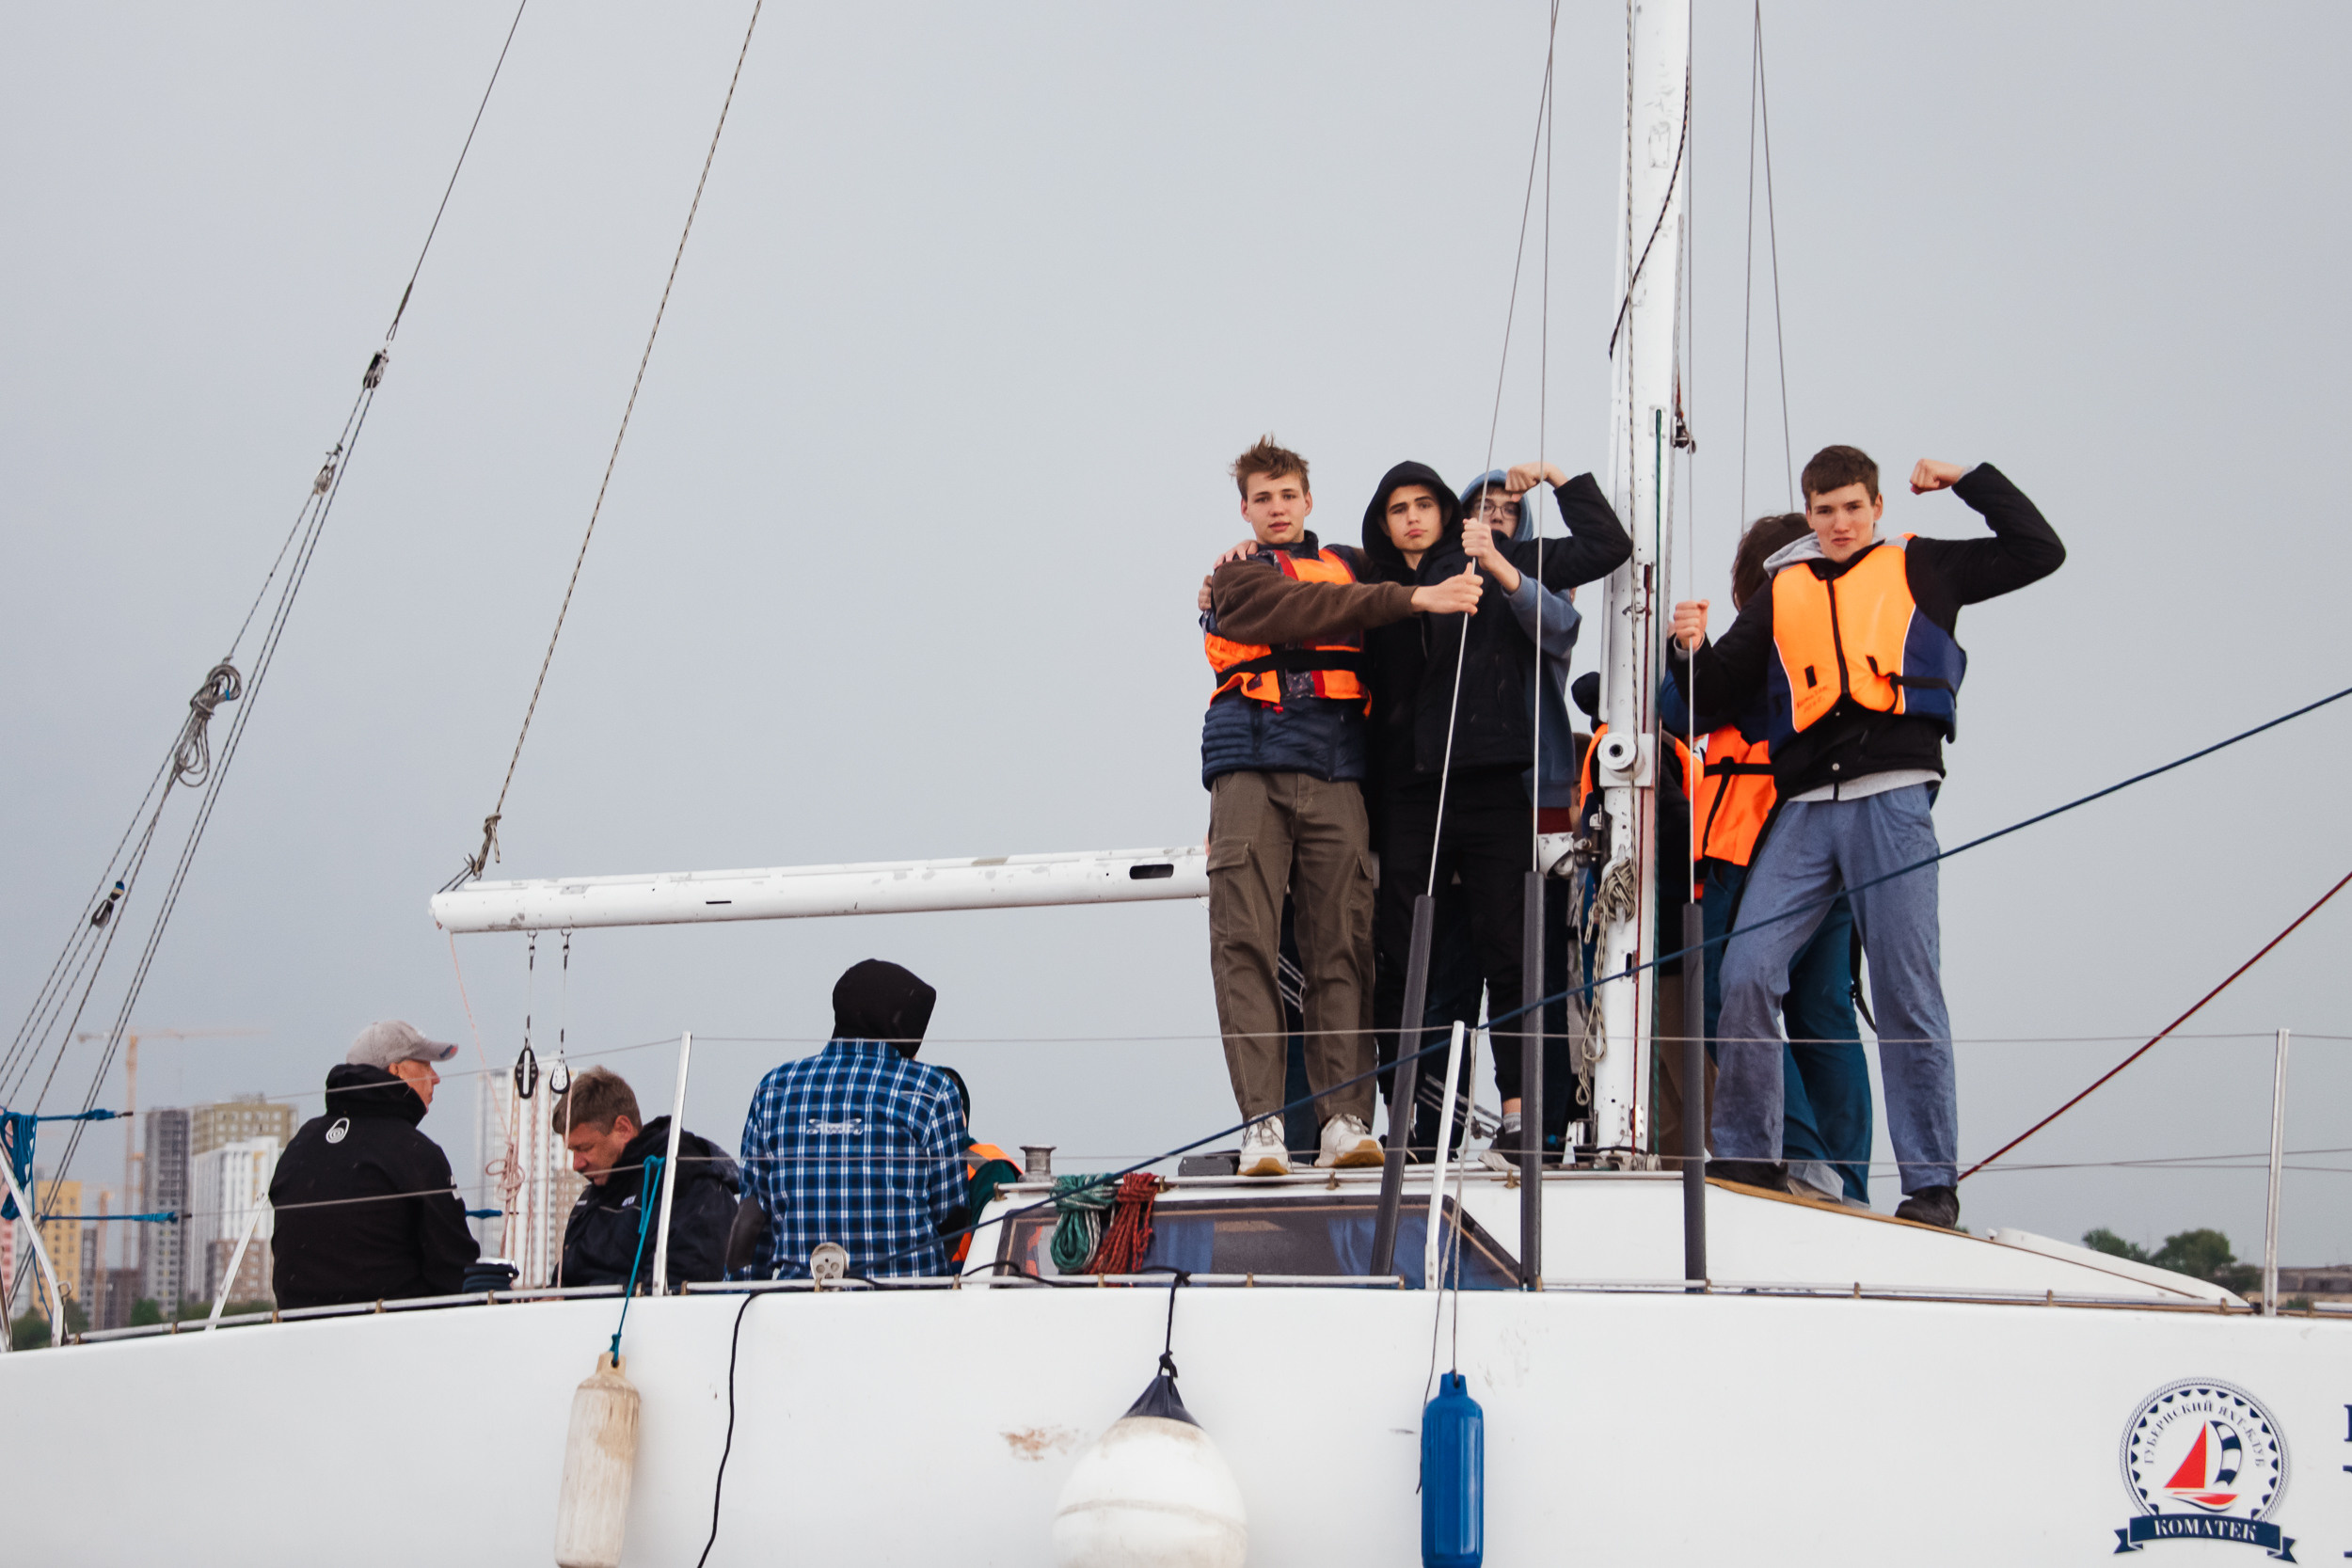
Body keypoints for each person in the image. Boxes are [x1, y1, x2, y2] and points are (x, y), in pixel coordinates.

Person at [1669, 449, 2063, 1228]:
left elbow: (2039, 550)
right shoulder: (1784, 591)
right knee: (1745, 971)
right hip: (1808, 807)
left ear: (1876, 506)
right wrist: (1690, 651)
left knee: (1906, 988)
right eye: (1824, 510)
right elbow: (1708, 703)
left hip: (1893, 800)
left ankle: (1930, 1184)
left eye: (1852, 507)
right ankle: (1748, 1150)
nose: (1840, 524)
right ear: (1808, 514)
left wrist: (1966, 481)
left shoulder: (1926, 568)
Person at [1199, 436, 1483, 1178]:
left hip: (1336, 767)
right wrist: (1409, 599)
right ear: (1246, 509)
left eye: (1287, 494)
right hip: (1249, 767)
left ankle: (1346, 1119)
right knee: (1246, 946)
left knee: (1343, 948)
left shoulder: (1357, 564)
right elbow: (1306, 608)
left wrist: (1496, 522)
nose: (1277, 508)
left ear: (1309, 499)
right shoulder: (1235, 579)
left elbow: (1428, 553)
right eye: (1263, 498)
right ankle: (1263, 1124)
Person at [1360, 460, 1629, 1156]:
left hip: (1491, 783)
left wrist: (1562, 482)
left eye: (1425, 503)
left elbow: (1608, 545)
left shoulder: (1492, 554)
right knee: (1405, 958)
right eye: (1399, 508)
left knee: (1510, 953)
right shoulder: (1369, 583)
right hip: (1406, 794)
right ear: (1382, 522)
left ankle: (1520, 1114)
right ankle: (1410, 1121)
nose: (1414, 517)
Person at [1661, 512, 1870, 1205]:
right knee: (1822, 1012)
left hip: (1748, 845)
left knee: (1727, 992)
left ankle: (1805, 1158)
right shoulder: (1843, 634)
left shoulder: (1761, 639)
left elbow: (1676, 705)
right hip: (1839, 839)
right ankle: (1849, 1178)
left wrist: (1680, 654)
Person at [736, 958, 969, 1278]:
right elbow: (951, 1214)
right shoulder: (933, 1090)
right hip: (910, 1304)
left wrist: (735, 1299)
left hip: (798, 1304)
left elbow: (751, 1219)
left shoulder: (773, 1088)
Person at [270, 1020, 480, 1309]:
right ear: (396, 1070)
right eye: (426, 1066)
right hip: (392, 1335)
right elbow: (456, 1270)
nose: (435, 1078)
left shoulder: (301, 1144)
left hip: (296, 1332)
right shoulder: (414, 1152)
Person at [551, 1066, 741, 1290]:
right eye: (572, 1151)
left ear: (623, 1128)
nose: (576, 1164)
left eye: (585, 1148)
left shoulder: (688, 1185)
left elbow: (679, 1285)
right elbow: (564, 1281)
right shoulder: (594, 1195)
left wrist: (575, 1300)